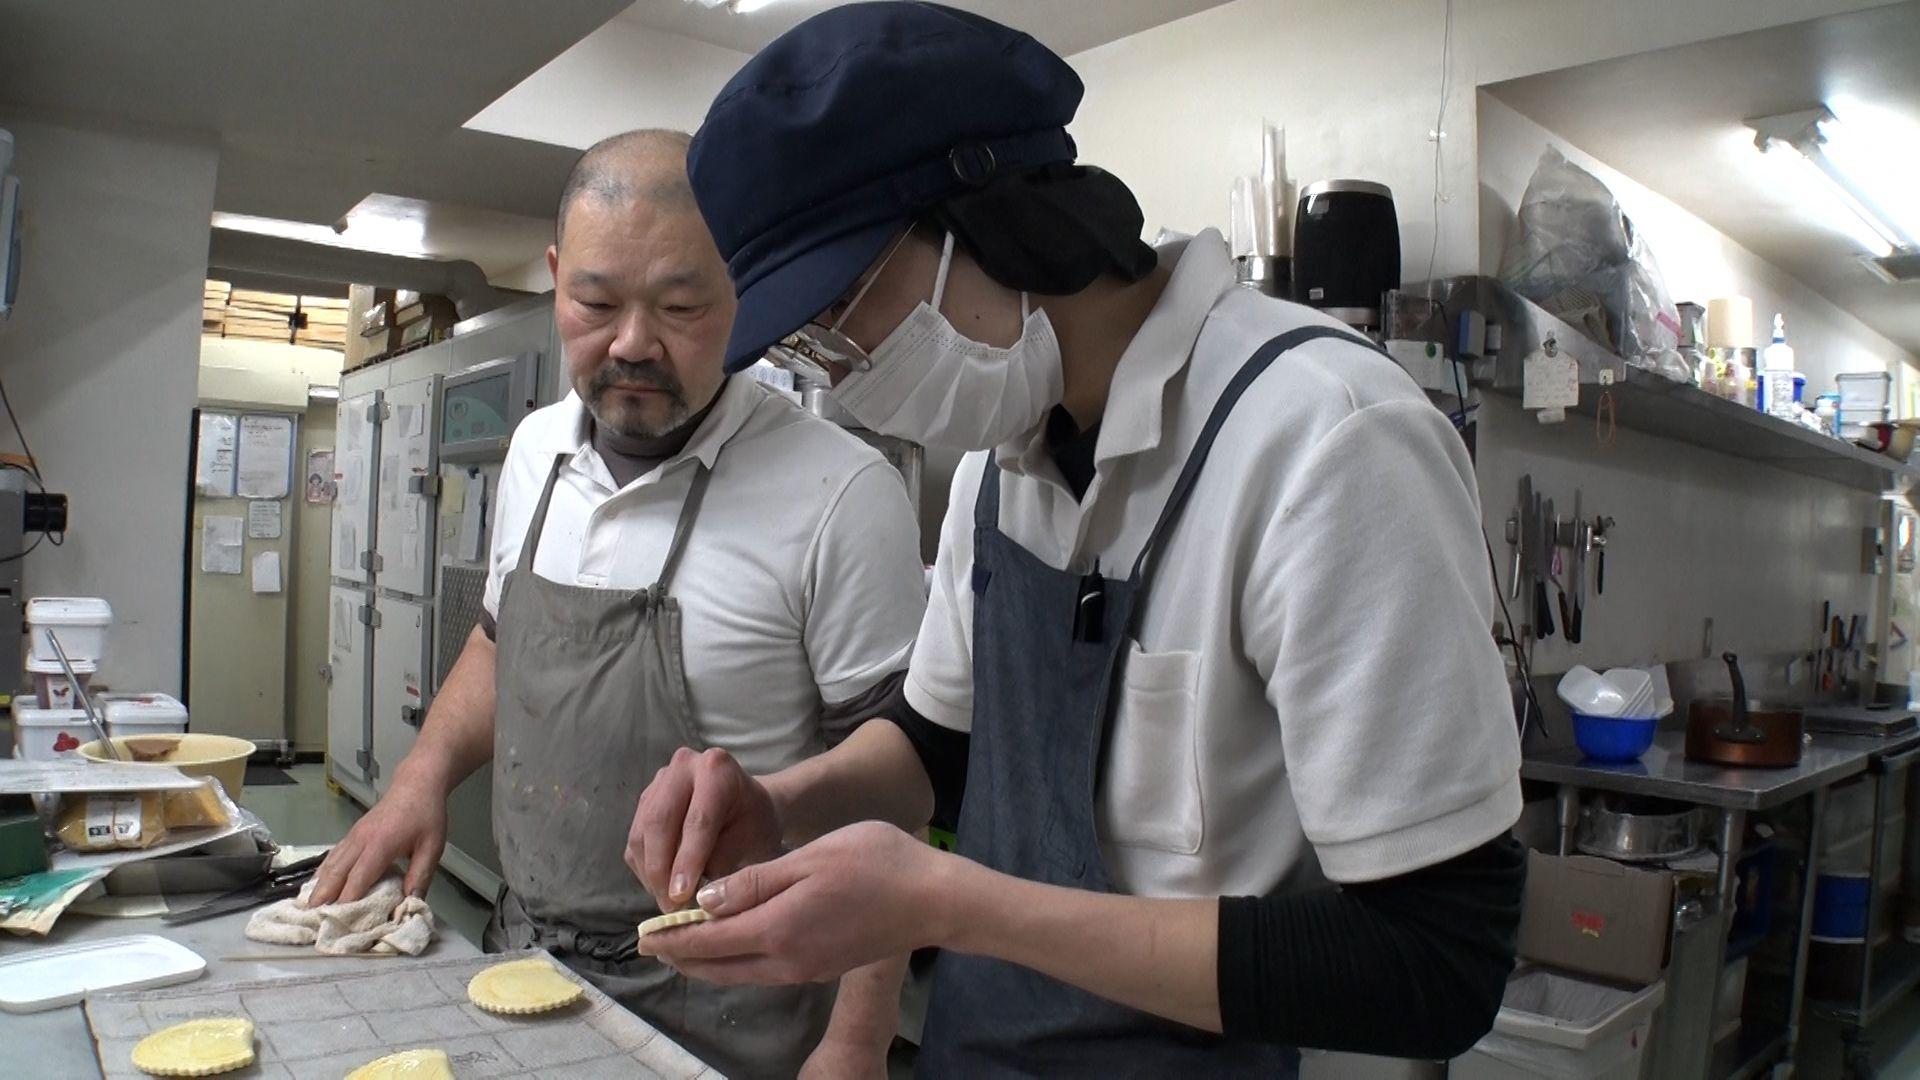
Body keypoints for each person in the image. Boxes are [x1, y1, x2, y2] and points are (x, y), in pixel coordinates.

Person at [630, 6, 1527, 1075]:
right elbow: (936, 747)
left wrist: (952, 902)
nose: (843, 373)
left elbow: (1437, 963)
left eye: (844, 314)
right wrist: (780, 803)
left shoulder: (1325, 441)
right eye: (809, 349)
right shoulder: (998, 466)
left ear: (987, 214)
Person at [306, 129, 928, 1080]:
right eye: (595, 303)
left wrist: (855, 1040)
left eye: (680, 306)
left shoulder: (841, 494)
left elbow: (899, 796)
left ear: (743, 290)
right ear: (556, 278)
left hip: (737, 998)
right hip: (525, 966)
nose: (633, 344)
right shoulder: (533, 454)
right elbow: (497, 641)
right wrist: (419, 779)